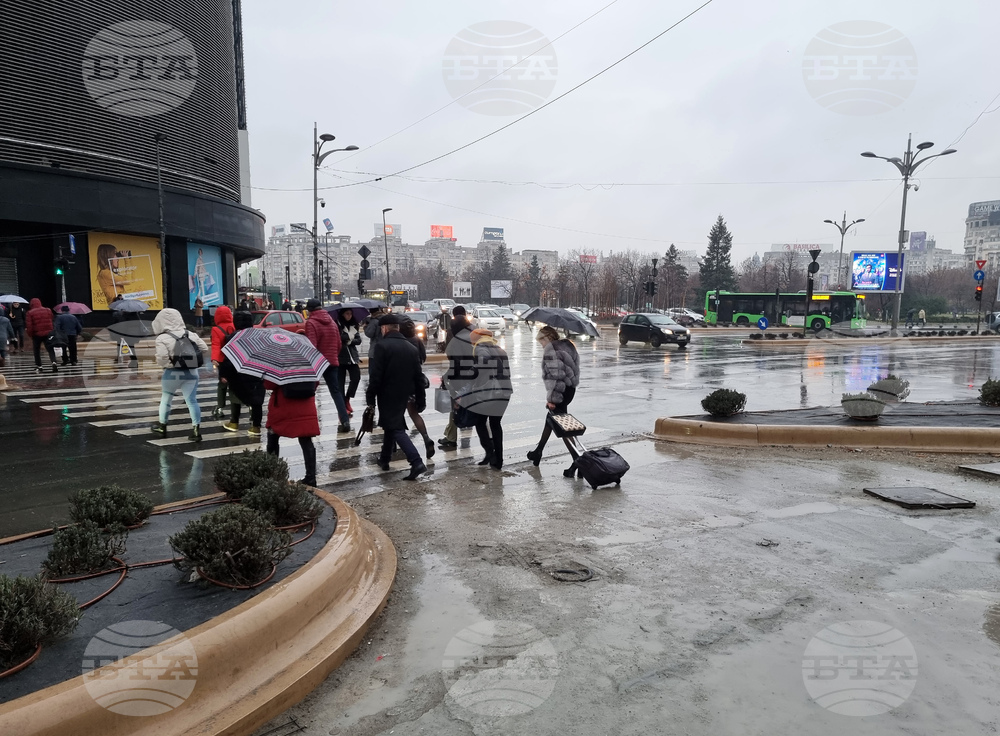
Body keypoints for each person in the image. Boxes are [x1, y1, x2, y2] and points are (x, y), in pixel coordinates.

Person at [366, 313, 428, 480]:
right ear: (398, 328)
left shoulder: (382, 346)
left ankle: (416, 462)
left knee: (395, 428)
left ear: (384, 328)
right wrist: (421, 399)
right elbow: (418, 377)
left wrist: (370, 397)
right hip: (405, 394)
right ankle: (385, 459)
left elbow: (376, 376)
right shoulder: (411, 348)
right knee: (391, 425)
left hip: (387, 394)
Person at [526, 326, 581, 477]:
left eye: (541, 341)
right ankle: (538, 451)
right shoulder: (568, 345)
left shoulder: (551, 350)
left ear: (548, 338)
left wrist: (552, 399)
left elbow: (556, 376)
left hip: (560, 391)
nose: (541, 345)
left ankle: (578, 460)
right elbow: (574, 369)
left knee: (562, 427)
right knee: (552, 419)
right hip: (569, 390)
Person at [150, 308, 208, 440]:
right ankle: (196, 431)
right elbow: (204, 348)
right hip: (192, 372)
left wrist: (173, 365)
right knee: (192, 401)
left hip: (172, 373)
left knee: (166, 399)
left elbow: (162, 358)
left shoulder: (162, 338)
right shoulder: (191, 334)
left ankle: (162, 426)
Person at [463, 328, 512, 469]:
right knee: (496, 425)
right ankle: (498, 460)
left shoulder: (481, 348)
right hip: (504, 392)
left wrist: (470, 373)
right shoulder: (499, 349)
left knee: (480, 422)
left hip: (489, 393)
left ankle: (490, 453)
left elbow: (483, 361)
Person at [304, 298, 351, 432]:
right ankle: (345, 420)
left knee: (310, 391)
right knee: (336, 392)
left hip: (317, 363)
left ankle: (310, 420)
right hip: (332, 361)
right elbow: (338, 344)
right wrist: (333, 356)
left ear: (310, 310)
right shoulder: (332, 322)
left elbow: (311, 345)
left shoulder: (311, 323)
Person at [264, 378, 320, 487]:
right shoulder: (308, 363)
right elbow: (315, 383)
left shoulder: (281, 363)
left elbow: (269, 384)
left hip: (283, 404)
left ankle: (272, 475)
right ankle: (311, 478)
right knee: (306, 439)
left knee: (273, 434)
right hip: (305, 404)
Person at [219, 310, 264, 435]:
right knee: (256, 401)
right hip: (256, 371)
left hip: (238, 373)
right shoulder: (258, 336)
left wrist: (223, 374)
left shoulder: (232, 337)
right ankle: (256, 426)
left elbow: (228, 359)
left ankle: (234, 422)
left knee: (235, 397)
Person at [438, 305, 473, 450]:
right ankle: (451, 435)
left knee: (456, 406)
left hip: (460, 378)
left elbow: (455, 362)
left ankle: (451, 437)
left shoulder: (456, 337)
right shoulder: (473, 332)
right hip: (473, 376)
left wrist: (446, 378)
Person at [400, 317, 435, 459]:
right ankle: (426, 438)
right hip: (415, 382)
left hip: (400, 383)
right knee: (414, 413)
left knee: (396, 414)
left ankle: (398, 444)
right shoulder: (416, 340)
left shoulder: (399, 343)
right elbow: (423, 358)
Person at [209, 305, 235, 419]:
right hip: (235, 359)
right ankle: (242, 406)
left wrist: (214, 359)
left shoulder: (216, 329)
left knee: (222, 384)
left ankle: (220, 407)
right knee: (235, 384)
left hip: (223, 361)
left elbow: (216, 345)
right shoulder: (234, 326)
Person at [336, 307, 363, 416]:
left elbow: (358, 340)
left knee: (356, 378)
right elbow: (339, 338)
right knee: (340, 383)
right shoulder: (337, 325)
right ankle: (342, 406)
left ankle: (347, 398)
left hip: (352, 356)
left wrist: (348, 340)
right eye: (347, 314)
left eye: (350, 314)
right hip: (340, 357)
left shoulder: (353, 325)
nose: (349, 316)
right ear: (342, 314)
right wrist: (349, 338)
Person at [25, 298, 57, 373]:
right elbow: (51, 319)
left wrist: (30, 334)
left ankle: (39, 366)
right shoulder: (48, 310)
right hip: (48, 333)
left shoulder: (30, 313)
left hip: (37, 334)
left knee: (37, 350)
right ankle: (54, 362)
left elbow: (29, 325)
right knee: (50, 348)